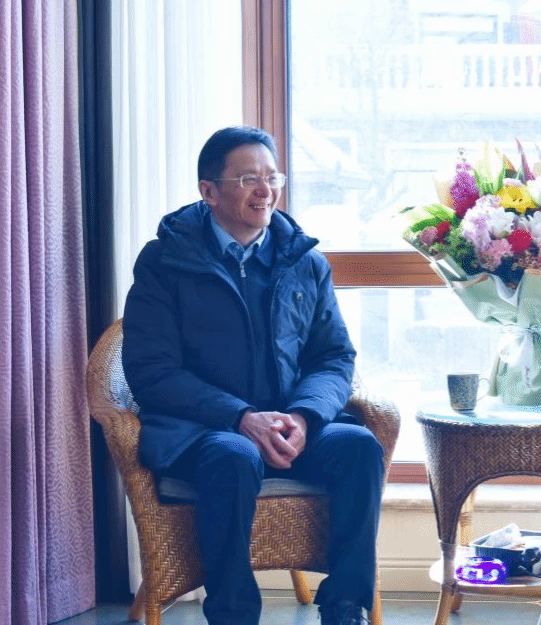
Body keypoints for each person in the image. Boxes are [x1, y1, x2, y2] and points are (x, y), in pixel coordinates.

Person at [122, 125, 383, 625]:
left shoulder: (306, 262)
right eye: (248, 179)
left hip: (290, 426)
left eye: (272, 177)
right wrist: (241, 417)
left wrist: (304, 417)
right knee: (234, 456)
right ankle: (233, 615)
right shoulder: (165, 261)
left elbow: (333, 358)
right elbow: (151, 371)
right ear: (209, 191)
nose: (266, 191)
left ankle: (345, 607)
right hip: (204, 430)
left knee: (358, 447)